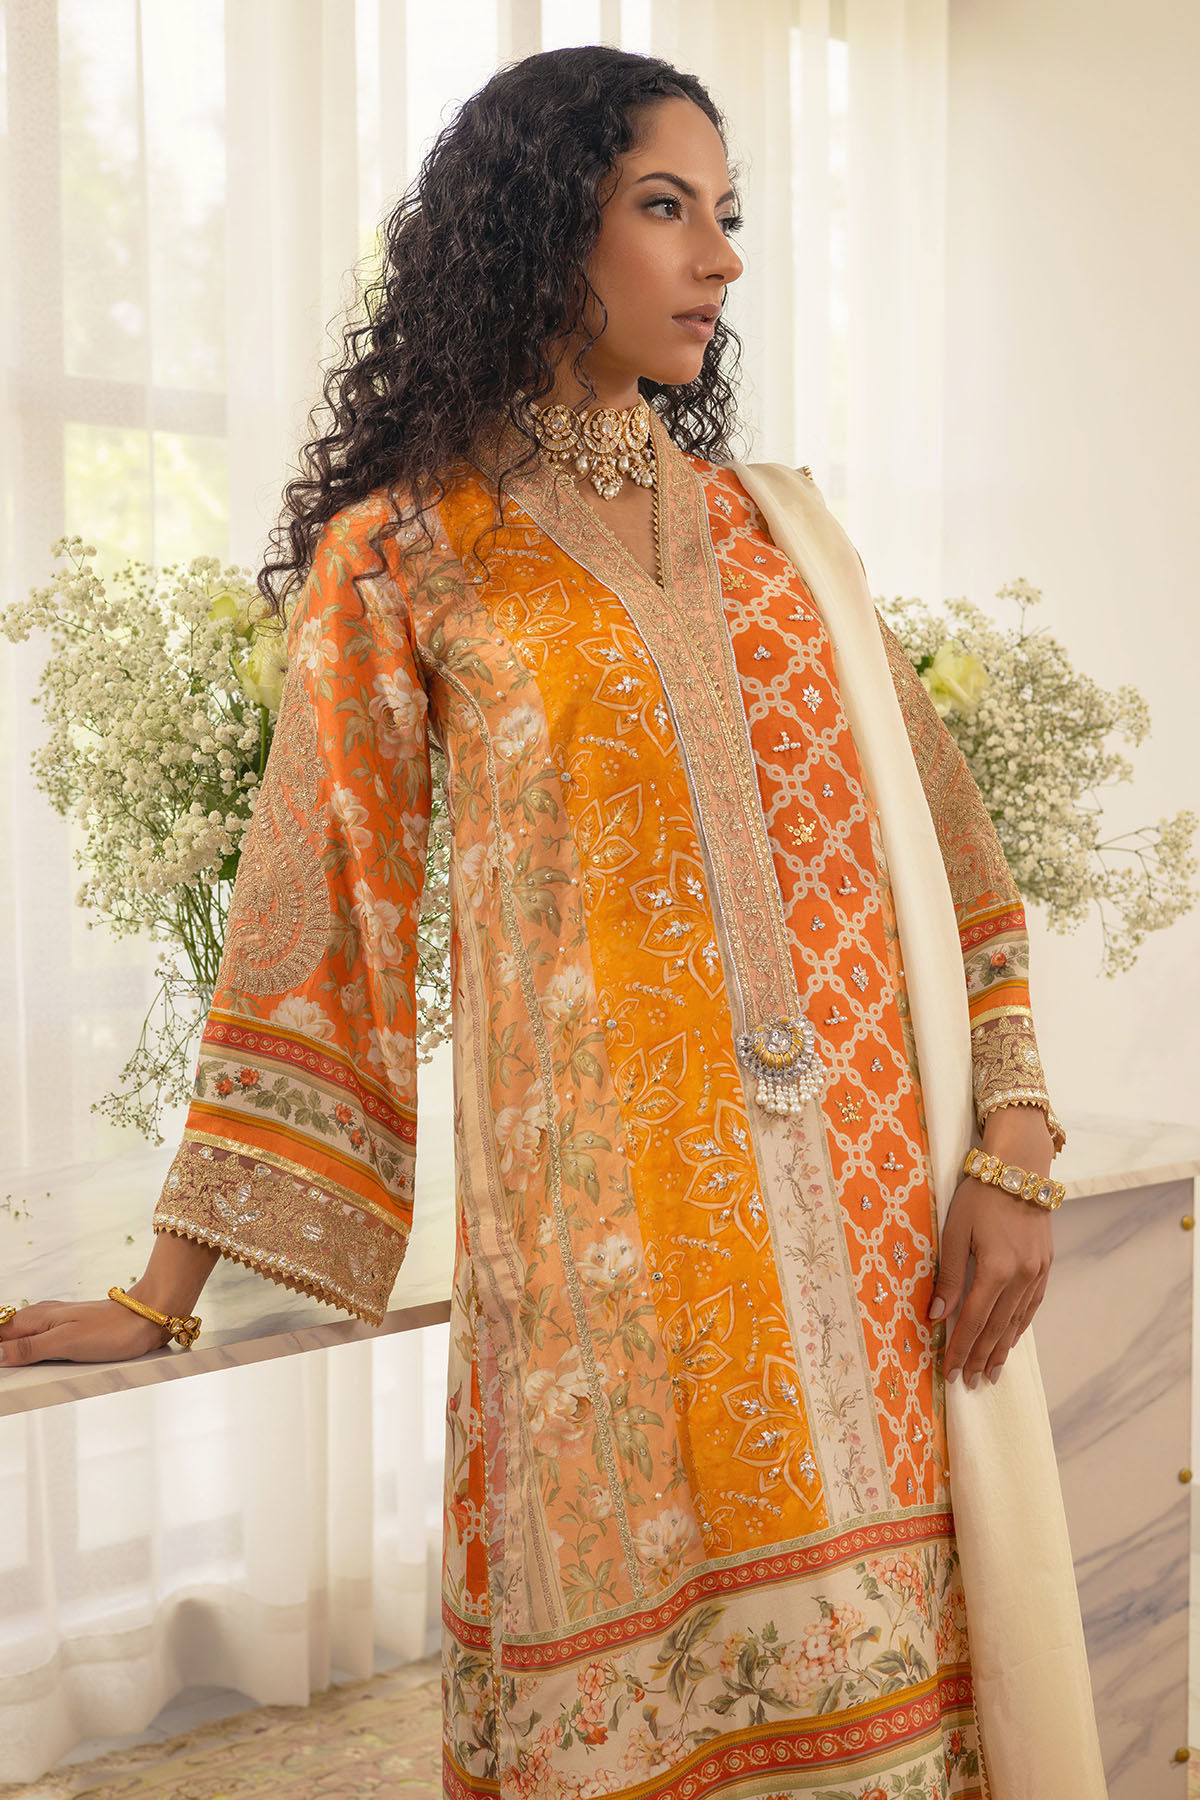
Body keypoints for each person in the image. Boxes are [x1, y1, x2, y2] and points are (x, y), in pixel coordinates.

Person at [0, 46, 1106, 1800]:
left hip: (885, 1257)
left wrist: (1017, 1144)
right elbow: (314, 925)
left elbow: (954, 853)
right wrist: (164, 1294)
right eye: (665, 209)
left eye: (727, 215)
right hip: (612, 1286)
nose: (719, 258)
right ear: (538, 232)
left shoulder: (778, 533)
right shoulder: (406, 556)